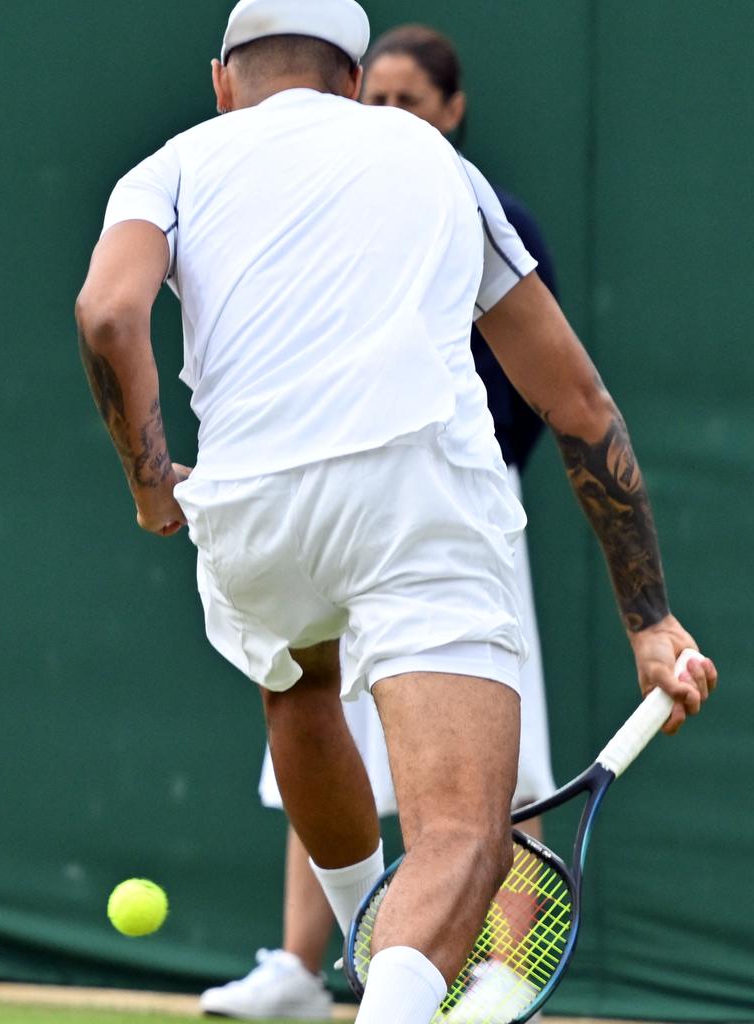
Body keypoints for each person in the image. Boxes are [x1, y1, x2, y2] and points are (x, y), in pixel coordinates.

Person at [75, 1, 717, 1022]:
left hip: (249, 511)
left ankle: (380, 964)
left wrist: (151, 478)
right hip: (416, 498)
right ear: (351, 78)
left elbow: (109, 312)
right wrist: (649, 620)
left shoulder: (171, 164)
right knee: (463, 837)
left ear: (221, 81)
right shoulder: (435, 168)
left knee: (300, 685)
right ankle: (397, 989)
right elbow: (579, 404)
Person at [199, 23, 560, 1020]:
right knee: (317, 737)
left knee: (503, 783)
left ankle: (499, 977)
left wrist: (458, 488)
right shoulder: (332, 214)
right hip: (346, 513)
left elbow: (542, 392)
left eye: (409, 101)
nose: (389, 115)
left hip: (457, 519)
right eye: (379, 98)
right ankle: (309, 967)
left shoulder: (482, 209)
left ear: (452, 110)